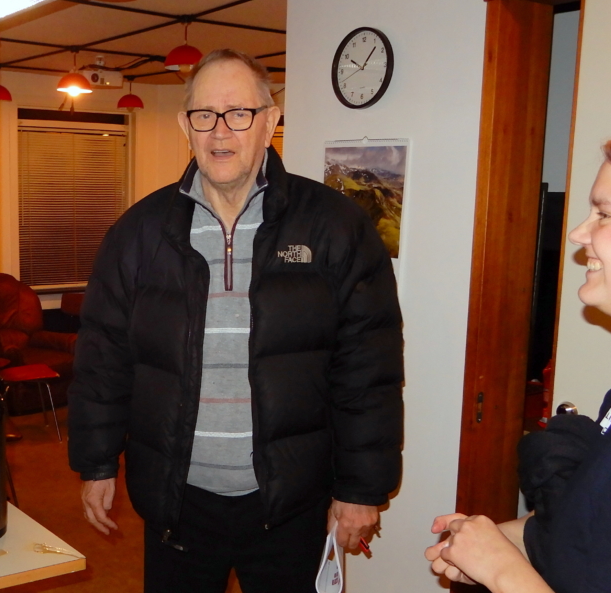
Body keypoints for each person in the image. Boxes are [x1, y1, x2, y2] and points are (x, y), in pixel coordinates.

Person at [68, 49, 404, 593]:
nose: (220, 131)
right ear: (185, 126)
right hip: (176, 500)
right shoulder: (139, 233)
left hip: (291, 502)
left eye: (239, 113)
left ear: (270, 122)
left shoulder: (335, 227)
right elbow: (103, 358)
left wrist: (362, 488)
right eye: (205, 115)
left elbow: (369, 368)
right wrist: (98, 462)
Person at [424, 119, 611, 592]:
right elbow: (606, 532)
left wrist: (502, 570)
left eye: (605, 214)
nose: (580, 233)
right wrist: (503, 542)